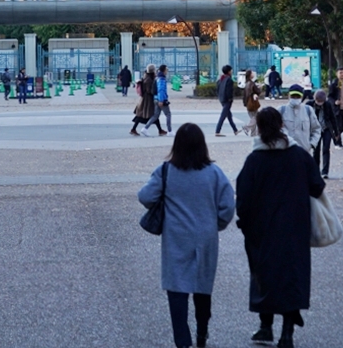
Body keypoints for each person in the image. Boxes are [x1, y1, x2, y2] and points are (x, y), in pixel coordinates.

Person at [138, 123, 235, 348]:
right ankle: (202, 332)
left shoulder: (166, 171)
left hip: (176, 237)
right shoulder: (214, 173)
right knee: (202, 287)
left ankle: (182, 341)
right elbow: (228, 206)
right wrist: (216, 224)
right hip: (206, 236)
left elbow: (145, 196)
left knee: (177, 290)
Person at [236, 108, 325, 348]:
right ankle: (287, 333)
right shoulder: (298, 155)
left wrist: (244, 222)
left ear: (261, 128)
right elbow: (317, 186)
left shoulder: (255, 159)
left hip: (261, 227)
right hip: (295, 225)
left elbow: (243, 196)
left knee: (263, 274)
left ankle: (266, 327)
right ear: (282, 124)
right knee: (291, 275)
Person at [278, 89, 320, 154]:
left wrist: (311, 144)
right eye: (293, 96)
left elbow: (316, 128)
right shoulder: (281, 110)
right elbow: (273, 129)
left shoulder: (308, 110)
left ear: (302, 96)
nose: (295, 98)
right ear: (288, 95)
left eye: (297, 96)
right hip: (285, 151)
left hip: (304, 151)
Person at [310, 89, 338, 178]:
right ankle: (315, 170)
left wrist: (336, 132)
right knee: (316, 150)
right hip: (315, 130)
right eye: (318, 101)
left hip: (326, 129)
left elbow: (333, 118)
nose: (319, 103)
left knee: (326, 149)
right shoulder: (309, 105)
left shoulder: (327, 105)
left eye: (321, 101)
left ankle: (325, 171)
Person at [132, 65, 165, 136]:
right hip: (147, 100)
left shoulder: (147, 77)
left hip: (146, 99)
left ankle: (160, 130)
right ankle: (160, 130)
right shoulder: (148, 79)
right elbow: (149, 90)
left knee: (147, 114)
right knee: (149, 114)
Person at [213, 65, 239, 137]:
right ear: (229, 71)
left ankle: (235, 130)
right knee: (223, 115)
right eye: (231, 70)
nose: (232, 71)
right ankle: (217, 131)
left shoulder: (220, 79)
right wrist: (230, 98)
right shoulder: (229, 80)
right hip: (227, 100)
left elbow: (217, 89)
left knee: (229, 115)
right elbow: (229, 91)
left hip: (222, 99)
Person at [241, 70, 263, 137]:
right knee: (256, 117)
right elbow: (257, 91)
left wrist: (245, 103)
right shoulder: (251, 83)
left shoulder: (247, 83)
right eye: (252, 73)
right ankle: (247, 127)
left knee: (253, 118)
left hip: (248, 103)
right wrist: (260, 88)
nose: (253, 74)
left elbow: (245, 95)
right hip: (253, 103)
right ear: (250, 75)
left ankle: (253, 134)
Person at [156, 64, 173, 134]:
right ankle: (170, 131)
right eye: (166, 70)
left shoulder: (158, 77)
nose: (167, 71)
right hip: (161, 99)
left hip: (158, 98)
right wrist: (161, 100)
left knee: (155, 116)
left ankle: (145, 128)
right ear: (164, 70)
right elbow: (161, 90)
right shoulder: (161, 79)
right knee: (168, 114)